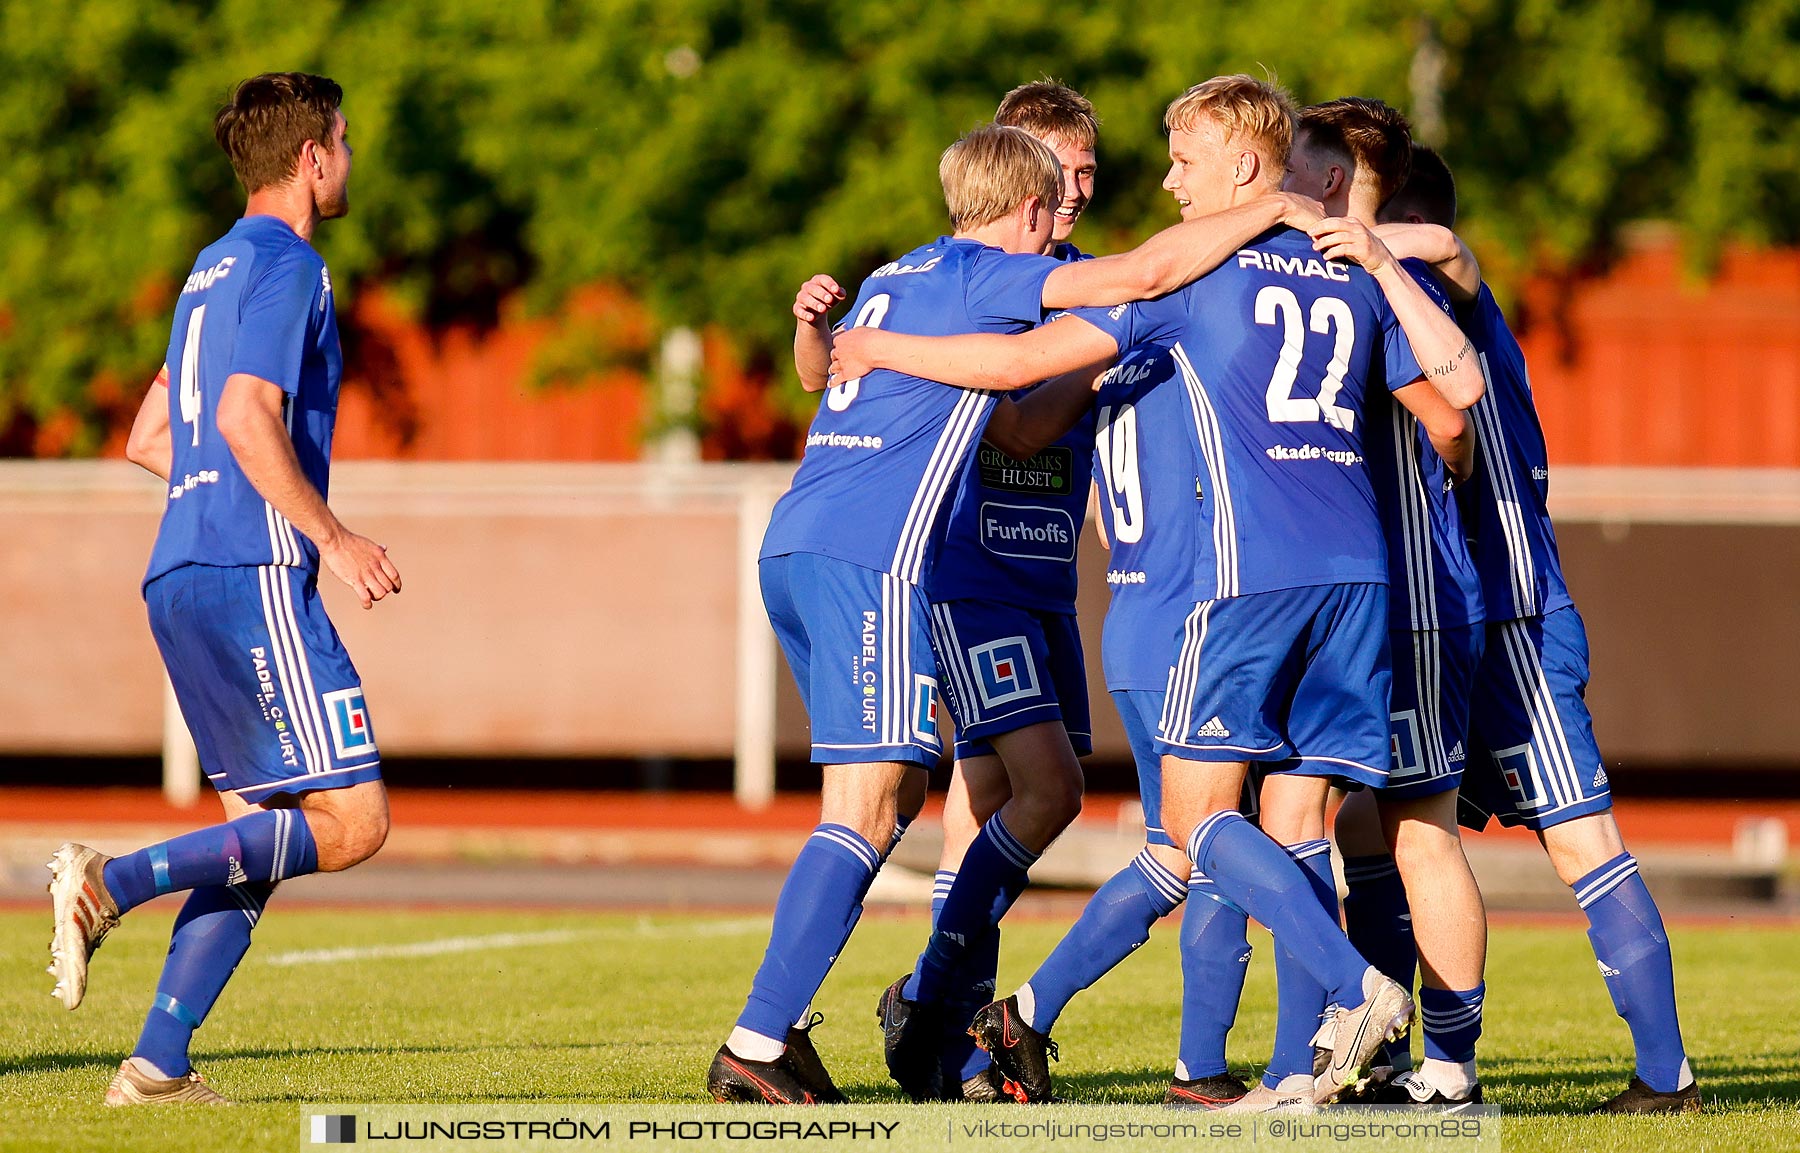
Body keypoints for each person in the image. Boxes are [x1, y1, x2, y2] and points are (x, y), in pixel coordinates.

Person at [830, 74, 1484, 1107]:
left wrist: (876, 347)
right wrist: (1443, 257)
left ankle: (1335, 998)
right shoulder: (1351, 272)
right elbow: (1454, 410)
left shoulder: (1185, 286)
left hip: (1227, 580)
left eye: (1183, 157)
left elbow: (1022, 392)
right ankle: (1287, 1071)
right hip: (1360, 577)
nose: (1166, 179)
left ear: (1238, 161)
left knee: (1194, 825)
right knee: (1299, 817)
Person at [717, 121, 1313, 1105]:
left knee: (909, 796)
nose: (1072, 205)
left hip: (808, 541)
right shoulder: (984, 274)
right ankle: (767, 1036)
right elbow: (1153, 271)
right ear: (1028, 205)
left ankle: (873, 1017)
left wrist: (823, 338)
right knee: (875, 810)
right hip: (884, 558)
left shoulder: (898, 274)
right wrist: (1278, 208)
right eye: (1062, 186)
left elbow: (836, 373)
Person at [47, 72, 396, 1106]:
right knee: (354, 821)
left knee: (264, 830)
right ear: (313, 156)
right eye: (345, 138)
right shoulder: (293, 265)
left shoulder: (207, 271)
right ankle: (111, 881)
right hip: (252, 575)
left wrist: (217, 496)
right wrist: (327, 534)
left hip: (181, 573)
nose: (348, 158)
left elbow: (152, 438)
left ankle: (156, 1064)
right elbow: (248, 414)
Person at [1370, 145, 1701, 1114]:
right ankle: (1433, 1067)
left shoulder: (1450, 299)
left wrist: (1354, 242)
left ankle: (1665, 1077)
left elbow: (1447, 245)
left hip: (1514, 616)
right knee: (1388, 831)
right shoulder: (1387, 322)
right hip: (1440, 620)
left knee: (1581, 838)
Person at [1283, 98, 1492, 1108]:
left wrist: (1375, 261)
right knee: (1352, 825)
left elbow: (1457, 422)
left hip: (1409, 600)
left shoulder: (1379, 275)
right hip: (1345, 599)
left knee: (1415, 830)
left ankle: (1447, 1070)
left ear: (1329, 172)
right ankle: (1368, 1041)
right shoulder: (1316, 268)